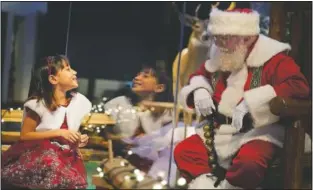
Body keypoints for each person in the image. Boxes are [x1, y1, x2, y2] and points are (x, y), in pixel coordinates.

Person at [175, 7, 311, 189]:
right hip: (219, 130)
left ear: (247, 38)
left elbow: (298, 87)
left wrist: (253, 102)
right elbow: (199, 77)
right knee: (184, 151)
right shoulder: (221, 57)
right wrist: (200, 90)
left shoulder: (274, 60)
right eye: (216, 37)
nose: (218, 43)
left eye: (224, 38)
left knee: (249, 162)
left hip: (259, 131)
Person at [1, 55, 92, 189]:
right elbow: (25, 135)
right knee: (51, 165)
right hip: (40, 154)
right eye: (68, 69)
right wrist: (58, 133)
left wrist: (79, 139)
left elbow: (70, 129)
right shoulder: (39, 104)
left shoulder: (78, 102)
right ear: (53, 79)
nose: (74, 72)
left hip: (67, 156)